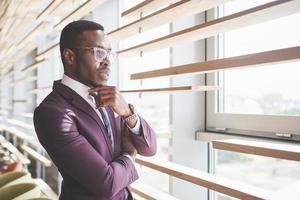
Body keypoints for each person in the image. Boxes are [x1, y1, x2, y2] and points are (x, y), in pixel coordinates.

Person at [33, 20, 157, 200]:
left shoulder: (109, 98)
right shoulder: (53, 112)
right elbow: (107, 184)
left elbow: (149, 148)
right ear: (69, 57)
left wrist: (128, 114)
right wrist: (129, 155)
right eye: (99, 52)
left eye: (108, 53)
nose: (107, 61)